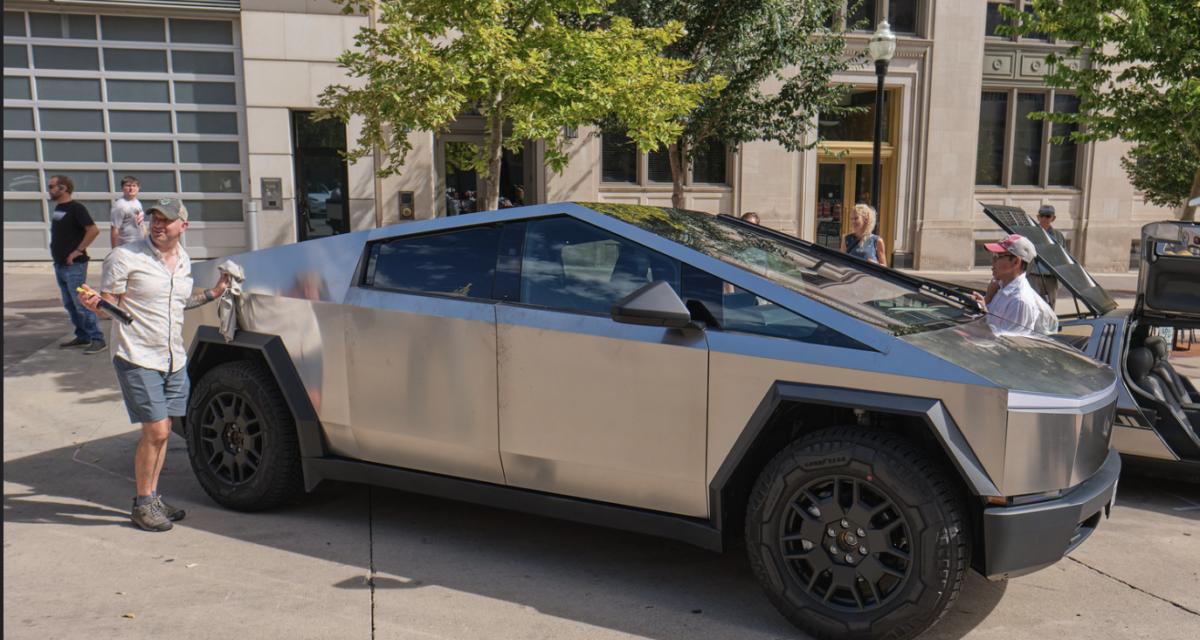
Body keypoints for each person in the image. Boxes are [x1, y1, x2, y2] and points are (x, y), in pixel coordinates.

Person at [79, 198, 229, 532]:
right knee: (157, 430)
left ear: (183, 226)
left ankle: (153, 499)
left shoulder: (184, 260)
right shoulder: (125, 257)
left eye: (166, 219)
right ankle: (142, 504)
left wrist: (213, 294)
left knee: (163, 436)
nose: (158, 224)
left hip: (173, 357)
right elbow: (110, 307)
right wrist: (94, 306)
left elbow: (178, 301)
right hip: (137, 356)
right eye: (154, 218)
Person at [49, 175, 107, 354]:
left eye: (52, 186)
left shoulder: (76, 208)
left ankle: (98, 339)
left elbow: (93, 230)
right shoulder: (59, 208)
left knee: (81, 303)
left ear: (63, 188)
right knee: (69, 304)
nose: (49, 190)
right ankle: (83, 335)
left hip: (74, 265)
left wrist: (78, 251)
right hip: (60, 264)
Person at [972, 233, 1057, 337]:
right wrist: (986, 302)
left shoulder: (1019, 301)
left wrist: (984, 314)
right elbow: (996, 321)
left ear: (1016, 262)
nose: (992, 261)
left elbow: (1007, 344)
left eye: (998, 256)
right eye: (993, 255)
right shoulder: (1003, 286)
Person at [1027, 204, 1067, 308]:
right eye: (1042, 215)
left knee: (1049, 308)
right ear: (1038, 217)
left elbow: (1064, 257)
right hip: (1034, 276)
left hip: (1051, 278)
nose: (1044, 218)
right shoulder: (1030, 233)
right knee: (1032, 306)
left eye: (1048, 216)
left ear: (1053, 218)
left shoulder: (1058, 236)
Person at [110, 175, 145, 248]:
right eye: (128, 186)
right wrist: (114, 250)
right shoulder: (120, 205)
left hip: (140, 243)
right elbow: (115, 229)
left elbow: (141, 224)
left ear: (138, 188)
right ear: (122, 188)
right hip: (126, 246)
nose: (131, 188)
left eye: (134, 186)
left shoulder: (137, 202)